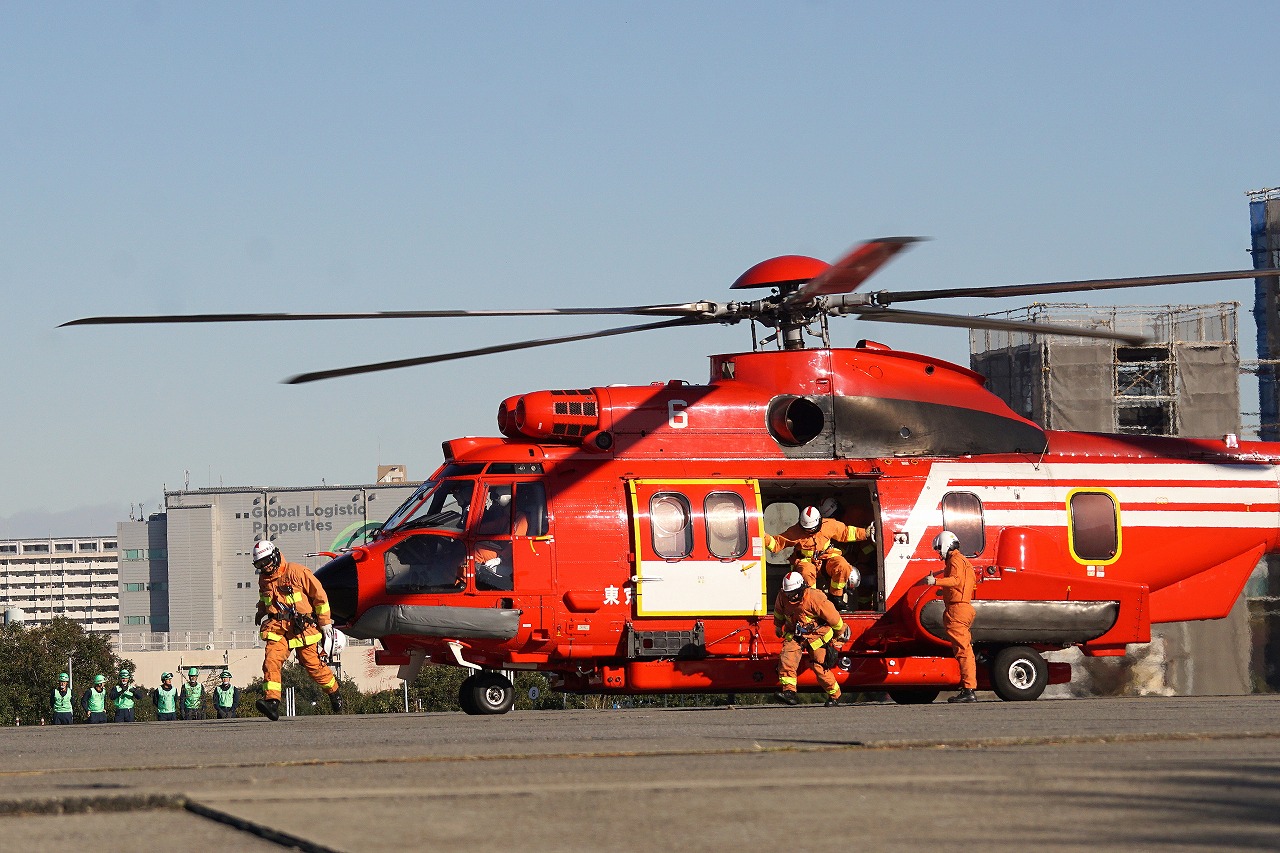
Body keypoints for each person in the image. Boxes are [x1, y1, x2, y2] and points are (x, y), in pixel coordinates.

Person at [252, 539, 342, 721]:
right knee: (271, 661)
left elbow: (320, 596)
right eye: (260, 564)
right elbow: (266, 599)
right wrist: (260, 611)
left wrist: (325, 623)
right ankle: (272, 702)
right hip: (278, 628)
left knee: (313, 666)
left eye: (267, 561)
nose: (265, 567)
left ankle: (334, 692)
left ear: (275, 555)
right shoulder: (264, 578)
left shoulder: (297, 572)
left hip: (303, 628)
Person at [764, 504, 873, 607]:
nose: (810, 531)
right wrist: (763, 537)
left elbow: (846, 532)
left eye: (812, 529)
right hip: (806, 561)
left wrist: (865, 533)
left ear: (819, 523)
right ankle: (813, 604)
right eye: (807, 529)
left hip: (826, 558)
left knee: (842, 566)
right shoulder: (795, 532)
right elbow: (777, 543)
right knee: (806, 573)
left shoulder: (829, 525)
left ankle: (836, 597)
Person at [772, 570, 847, 706]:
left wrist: (839, 636)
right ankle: (789, 693)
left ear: (801, 588)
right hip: (795, 635)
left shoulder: (815, 597)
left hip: (817, 636)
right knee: (786, 658)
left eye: (793, 593)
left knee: (819, 666)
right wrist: (778, 626)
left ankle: (835, 695)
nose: (790, 597)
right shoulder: (782, 596)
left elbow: (834, 619)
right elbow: (778, 612)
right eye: (788, 593)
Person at [924, 530, 978, 704]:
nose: (939, 552)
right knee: (964, 650)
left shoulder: (955, 560)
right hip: (962, 608)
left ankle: (968, 690)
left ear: (946, 545)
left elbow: (955, 580)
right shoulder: (963, 561)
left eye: (939, 548)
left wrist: (936, 582)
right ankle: (968, 687)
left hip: (958, 610)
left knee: (963, 651)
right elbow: (964, 584)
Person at [473, 487, 530, 591]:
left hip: (508, 557)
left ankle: (465, 585)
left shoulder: (521, 518)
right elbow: (494, 525)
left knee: (476, 552)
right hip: (501, 550)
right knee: (473, 547)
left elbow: (516, 543)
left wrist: (500, 559)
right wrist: (472, 529)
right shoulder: (508, 517)